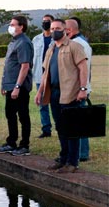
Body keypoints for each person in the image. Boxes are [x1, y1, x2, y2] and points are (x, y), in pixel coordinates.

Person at [35, 19, 88, 173]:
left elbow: (83, 68)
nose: (54, 31)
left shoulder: (74, 46)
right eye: (52, 28)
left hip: (71, 93)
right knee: (60, 127)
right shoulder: (51, 48)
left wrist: (83, 89)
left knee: (72, 129)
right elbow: (45, 73)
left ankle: (73, 162)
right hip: (54, 93)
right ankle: (63, 158)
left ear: (65, 30)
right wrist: (40, 92)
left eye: (57, 28)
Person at [0, 16, 34, 157]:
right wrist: (4, 84)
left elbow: (25, 67)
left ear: (21, 26)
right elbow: (9, 65)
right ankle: (11, 142)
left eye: (13, 24)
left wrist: (17, 86)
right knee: (10, 114)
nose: (10, 26)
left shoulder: (24, 43)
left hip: (20, 86)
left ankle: (24, 145)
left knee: (23, 115)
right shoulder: (13, 42)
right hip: (10, 84)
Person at [66, 18, 93, 163]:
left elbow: (84, 69)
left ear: (69, 30)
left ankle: (82, 153)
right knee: (75, 122)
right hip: (73, 89)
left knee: (80, 123)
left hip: (79, 90)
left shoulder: (79, 44)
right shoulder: (75, 42)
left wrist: (82, 89)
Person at [32, 14, 55, 139]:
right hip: (39, 75)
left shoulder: (56, 38)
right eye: (44, 21)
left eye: (48, 21)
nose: (45, 23)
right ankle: (46, 129)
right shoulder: (36, 39)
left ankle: (61, 127)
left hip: (54, 76)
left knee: (56, 103)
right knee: (42, 104)